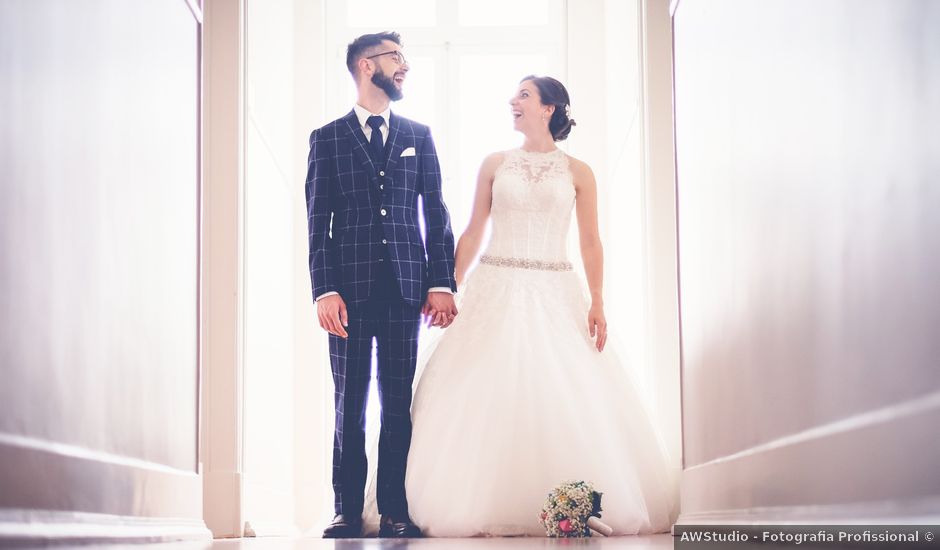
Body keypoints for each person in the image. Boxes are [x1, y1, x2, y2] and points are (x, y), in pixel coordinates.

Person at [400, 76, 680, 536]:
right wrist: (447, 287)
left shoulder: (578, 171)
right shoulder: (494, 164)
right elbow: (471, 232)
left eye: (524, 95)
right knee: (480, 385)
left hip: (555, 289)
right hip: (496, 285)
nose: (513, 100)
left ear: (549, 108)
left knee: (565, 386)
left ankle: (569, 503)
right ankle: (475, 501)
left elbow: (591, 241)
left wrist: (598, 301)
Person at [305, 31, 458, 539]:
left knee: (396, 402)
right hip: (347, 294)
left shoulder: (419, 134)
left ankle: (394, 508)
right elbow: (317, 222)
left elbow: (435, 214)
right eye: (396, 58)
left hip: (405, 289)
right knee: (349, 402)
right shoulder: (326, 139)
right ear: (366, 66)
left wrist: (442, 281)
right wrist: (323, 290)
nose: (405, 67)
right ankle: (347, 509)